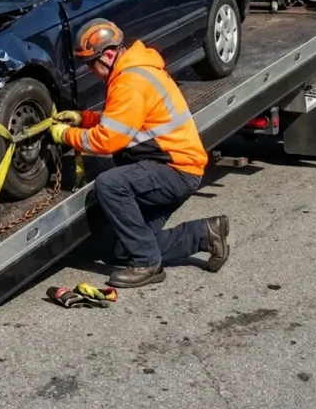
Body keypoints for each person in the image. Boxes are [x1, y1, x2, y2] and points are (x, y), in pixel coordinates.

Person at [50, 18, 229, 288]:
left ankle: (147, 265)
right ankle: (204, 234)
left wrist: (65, 136)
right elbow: (122, 120)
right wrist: (83, 118)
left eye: (90, 64)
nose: (91, 71)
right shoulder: (135, 71)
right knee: (123, 248)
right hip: (169, 166)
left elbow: (108, 139)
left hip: (175, 170)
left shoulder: (130, 81)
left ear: (108, 55)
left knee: (109, 184)